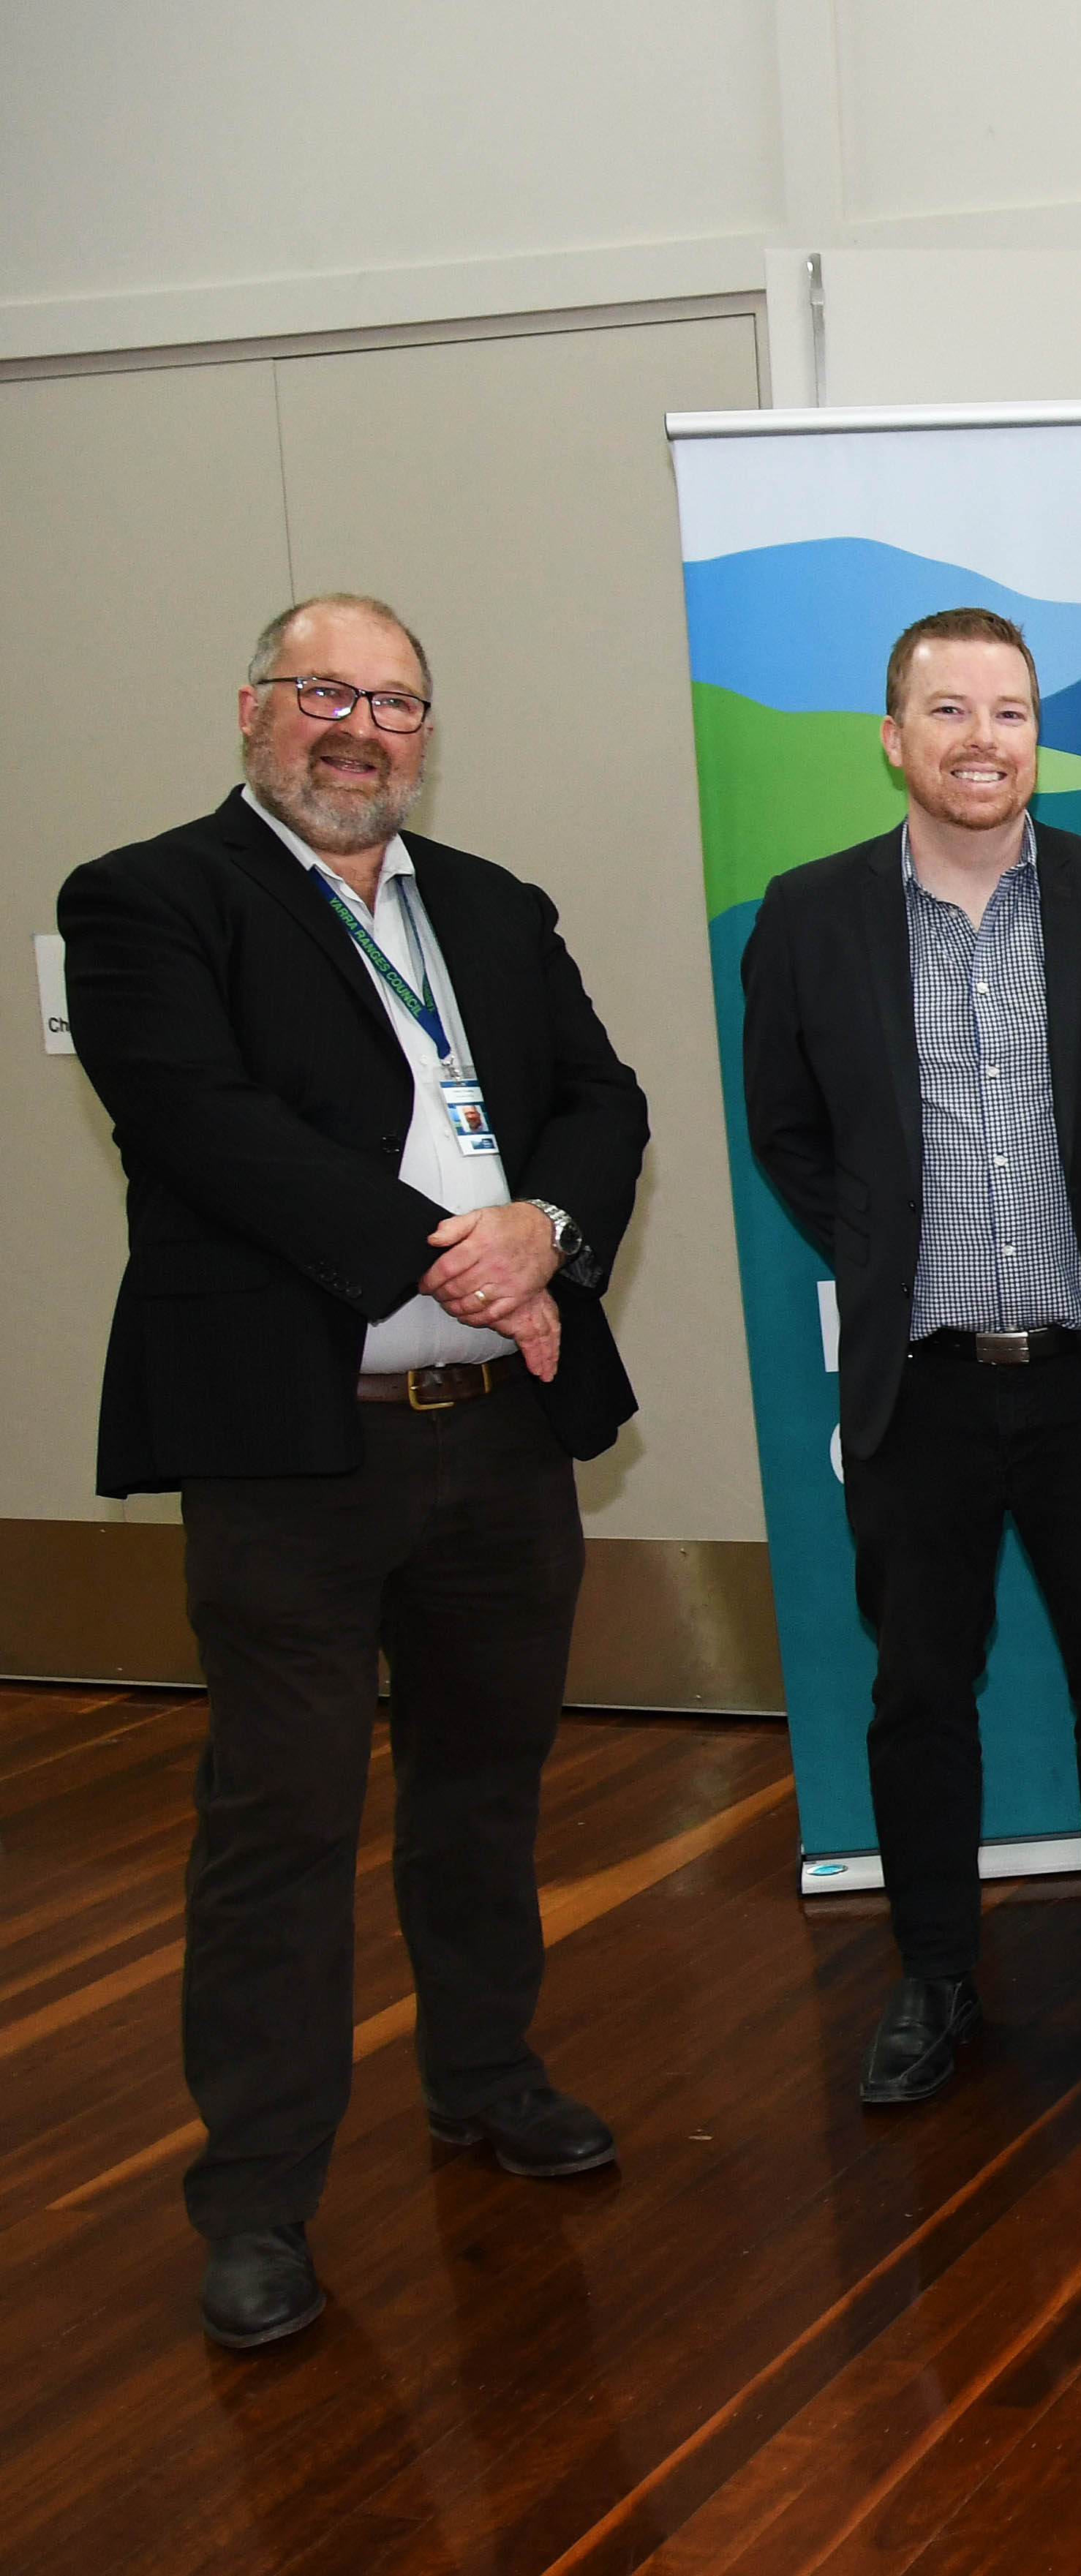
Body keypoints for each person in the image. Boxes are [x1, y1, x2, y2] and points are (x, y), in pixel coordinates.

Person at [61, 594, 650, 2349]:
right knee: (284, 1827)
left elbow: (602, 1101)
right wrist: (442, 1253)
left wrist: (542, 1228)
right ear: (254, 709)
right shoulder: (150, 900)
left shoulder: (491, 904)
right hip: (293, 1457)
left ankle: (484, 2074)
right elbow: (203, 1127)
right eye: (326, 694)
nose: (359, 728)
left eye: (393, 703)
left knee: (484, 1794)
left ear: (425, 731)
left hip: (495, 1442)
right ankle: (254, 2201)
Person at [740, 609, 1081, 2108]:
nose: (981, 740)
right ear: (893, 738)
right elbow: (790, 1133)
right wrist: (885, 1244)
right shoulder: (811, 914)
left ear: (1038, 735)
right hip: (923, 1380)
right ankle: (934, 1978)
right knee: (917, 1695)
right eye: (947, 711)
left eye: (1010, 712)